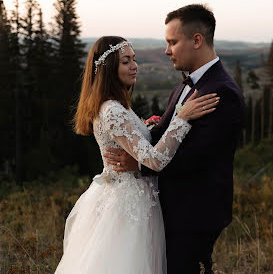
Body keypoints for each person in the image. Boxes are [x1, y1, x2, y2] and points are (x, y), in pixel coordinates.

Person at [54, 36, 219, 274]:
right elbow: (154, 160)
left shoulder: (118, 105)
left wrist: (151, 128)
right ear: (109, 68)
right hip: (128, 206)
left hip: (137, 198)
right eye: (125, 61)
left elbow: (136, 145)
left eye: (134, 59)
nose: (134, 66)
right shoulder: (112, 111)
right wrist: (182, 118)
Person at [105, 4, 245, 274]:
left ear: (196, 40)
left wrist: (139, 164)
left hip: (193, 212)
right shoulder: (184, 85)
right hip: (172, 207)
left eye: (172, 42)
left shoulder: (221, 92)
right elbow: (166, 131)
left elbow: (196, 157)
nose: (166, 51)